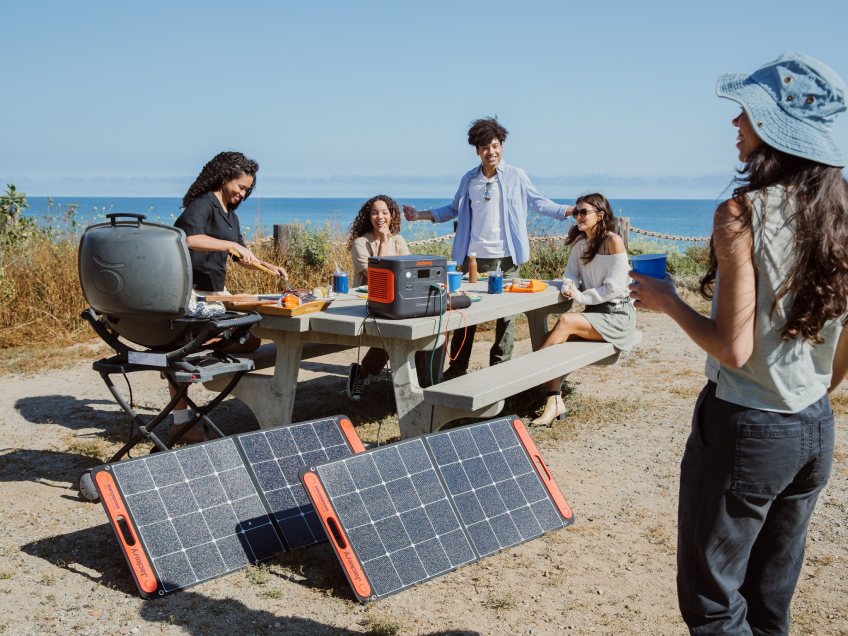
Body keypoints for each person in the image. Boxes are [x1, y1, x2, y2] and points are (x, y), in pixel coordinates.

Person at [630, 52, 848, 635]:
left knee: (714, 602)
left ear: (775, 126)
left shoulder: (741, 214)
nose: (736, 122)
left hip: (748, 425)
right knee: (770, 599)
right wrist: (810, 390)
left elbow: (733, 349)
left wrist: (669, 300)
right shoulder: (842, 212)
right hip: (814, 426)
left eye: (747, 111)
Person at [403, 117, 576, 379]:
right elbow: (453, 208)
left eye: (495, 146)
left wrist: (572, 210)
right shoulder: (469, 179)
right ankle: (457, 367)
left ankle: (500, 369)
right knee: (464, 315)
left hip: (507, 259)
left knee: (506, 318)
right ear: (477, 151)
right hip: (472, 259)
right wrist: (420, 215)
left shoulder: (517, 176)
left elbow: (539, 203)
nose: (490, 152)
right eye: (485, 148)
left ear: (502, 146)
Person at [171, 151, 287, 443]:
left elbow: (241, 257)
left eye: (247, 190)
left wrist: (267, 266)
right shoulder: (203, 203)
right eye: (241, 187)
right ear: (224, 177)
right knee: (187, 350)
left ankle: (200, 350)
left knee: (252, 341)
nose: (242, 194)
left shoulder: (230, 215)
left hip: (217, 293)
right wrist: (228, 245)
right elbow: (189, 238)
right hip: (193, 293)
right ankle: (180, 422)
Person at [530, 193, 636, 425]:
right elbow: (571, 272)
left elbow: (614, 289)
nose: (578, 216)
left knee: (565, 322)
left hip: (617, 315)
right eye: (576, 212)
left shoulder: (613, 241)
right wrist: (568, 285)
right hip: (594, 314)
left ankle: (529, 377)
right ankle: (553, 399)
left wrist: (578, 295)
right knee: (550, 339)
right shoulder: (581, 243)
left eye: (584, 212)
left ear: (600, 215)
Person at [346, 195, 410, 399]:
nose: (379, 217)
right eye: (374, 213)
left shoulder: (399, 240)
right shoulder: (361, 243)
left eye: (384, 212)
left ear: (392, 216)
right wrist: (383, 241)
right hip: (370, 302)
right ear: (369, 216)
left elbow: (408, 271)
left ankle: (424, 382)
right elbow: (377, 277)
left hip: (397, 299)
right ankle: (362, 372)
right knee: (393, 331)